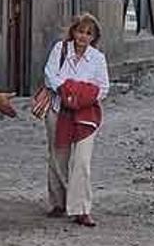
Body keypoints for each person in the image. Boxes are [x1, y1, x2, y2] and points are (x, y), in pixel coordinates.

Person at [43, 13, 109, 227]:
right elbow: (50, 75)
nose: (83, 36)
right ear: (73, 31)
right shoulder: (59, 50)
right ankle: (58, 202)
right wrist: (69, 91)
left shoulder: (98, 58)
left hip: (85, 115)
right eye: (80, 31)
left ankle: (81, 209)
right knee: (58, 156)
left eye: (88, 33)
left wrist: (80, 96)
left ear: (94, 37)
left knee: (82, 161)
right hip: (58, 109)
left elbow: (103, 88)